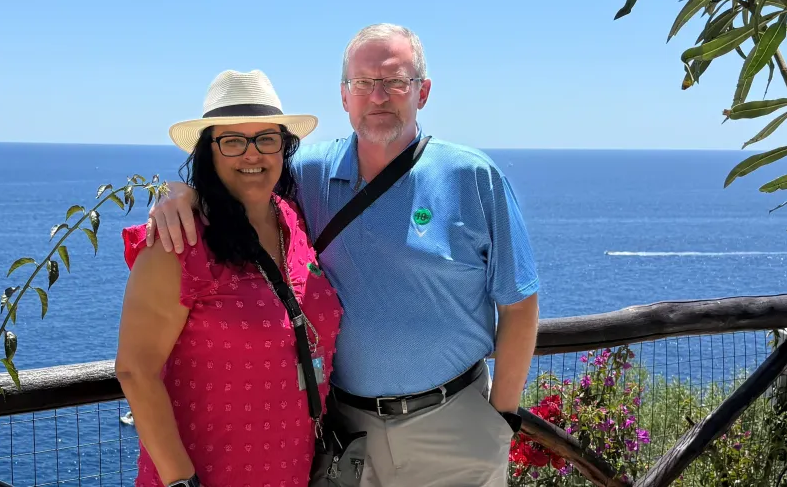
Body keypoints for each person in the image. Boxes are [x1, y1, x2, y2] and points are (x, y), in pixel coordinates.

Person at [146, 24, 541, 486]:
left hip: (452, 425)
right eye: (363, 83)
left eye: (396, 81)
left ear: (423, 92)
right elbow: (242, 172)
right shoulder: (306, 174)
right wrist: (181, 193)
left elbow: (519, 302)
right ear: (344, 95)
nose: (379, 96)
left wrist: (502, 417)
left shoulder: (473, 177)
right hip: (346, 434)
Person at [115, 69, 345, 487]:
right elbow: (135, 369)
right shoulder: (177, 241)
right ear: (210, 152)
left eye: (265, 139)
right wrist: (182, 482)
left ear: (283, 147)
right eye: (233, 141)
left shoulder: (292, 221)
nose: (252, 154)